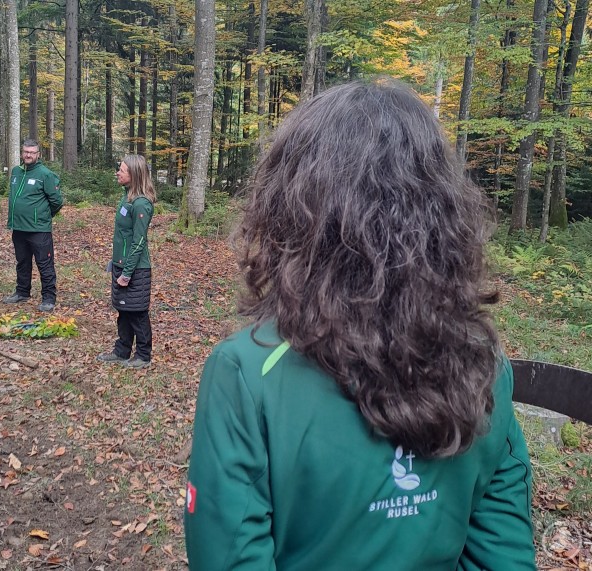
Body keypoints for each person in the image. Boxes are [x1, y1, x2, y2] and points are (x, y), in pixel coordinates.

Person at [184, 79, 536, 570]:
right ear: (442, 216)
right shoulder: (483, 365)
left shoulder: (245, 374)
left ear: (293, 208)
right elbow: (503, 556)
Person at [96, 155, 156, 369]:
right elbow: (123, 236)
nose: (117, 172)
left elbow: (139, 242)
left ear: (135, 174)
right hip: (122, 264)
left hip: (136, 268)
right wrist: (116, 261)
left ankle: (143, 355)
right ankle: (121, 351)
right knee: (123, 310)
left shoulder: (141, 204)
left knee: (137, 312)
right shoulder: (127, 197)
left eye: (122, 170)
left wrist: (128, 272)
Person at [3, 139, 63, 312]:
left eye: (32, 152)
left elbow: (57, 201)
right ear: (22, 153)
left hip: (39, 230)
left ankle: (49, 298)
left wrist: (43, 215)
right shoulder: (16, 172)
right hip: (19, 227)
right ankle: (22, 292)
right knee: (22, 262)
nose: (28, 155)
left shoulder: (45, 174)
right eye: (26, 152)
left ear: (38, 154)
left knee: (44, 263)